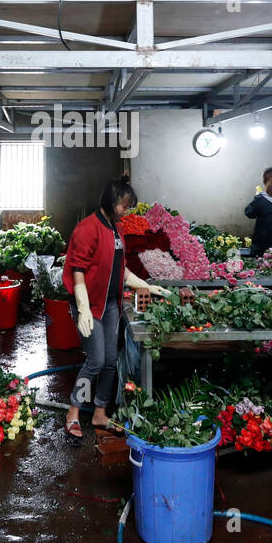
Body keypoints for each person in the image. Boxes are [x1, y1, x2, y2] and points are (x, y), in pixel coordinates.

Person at [61, 177, 171, 443]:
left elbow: (121, 270)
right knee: (96, 361)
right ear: (111, 203)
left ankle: (100, 412)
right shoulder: (86, 229)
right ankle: (74, 410)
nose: (127, 211)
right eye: (124, 206)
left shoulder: (116, 229)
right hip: (91, 304)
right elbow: (77, 270)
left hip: (111, 304)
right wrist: (83, 308)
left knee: (110, 361)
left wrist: (145, 285)